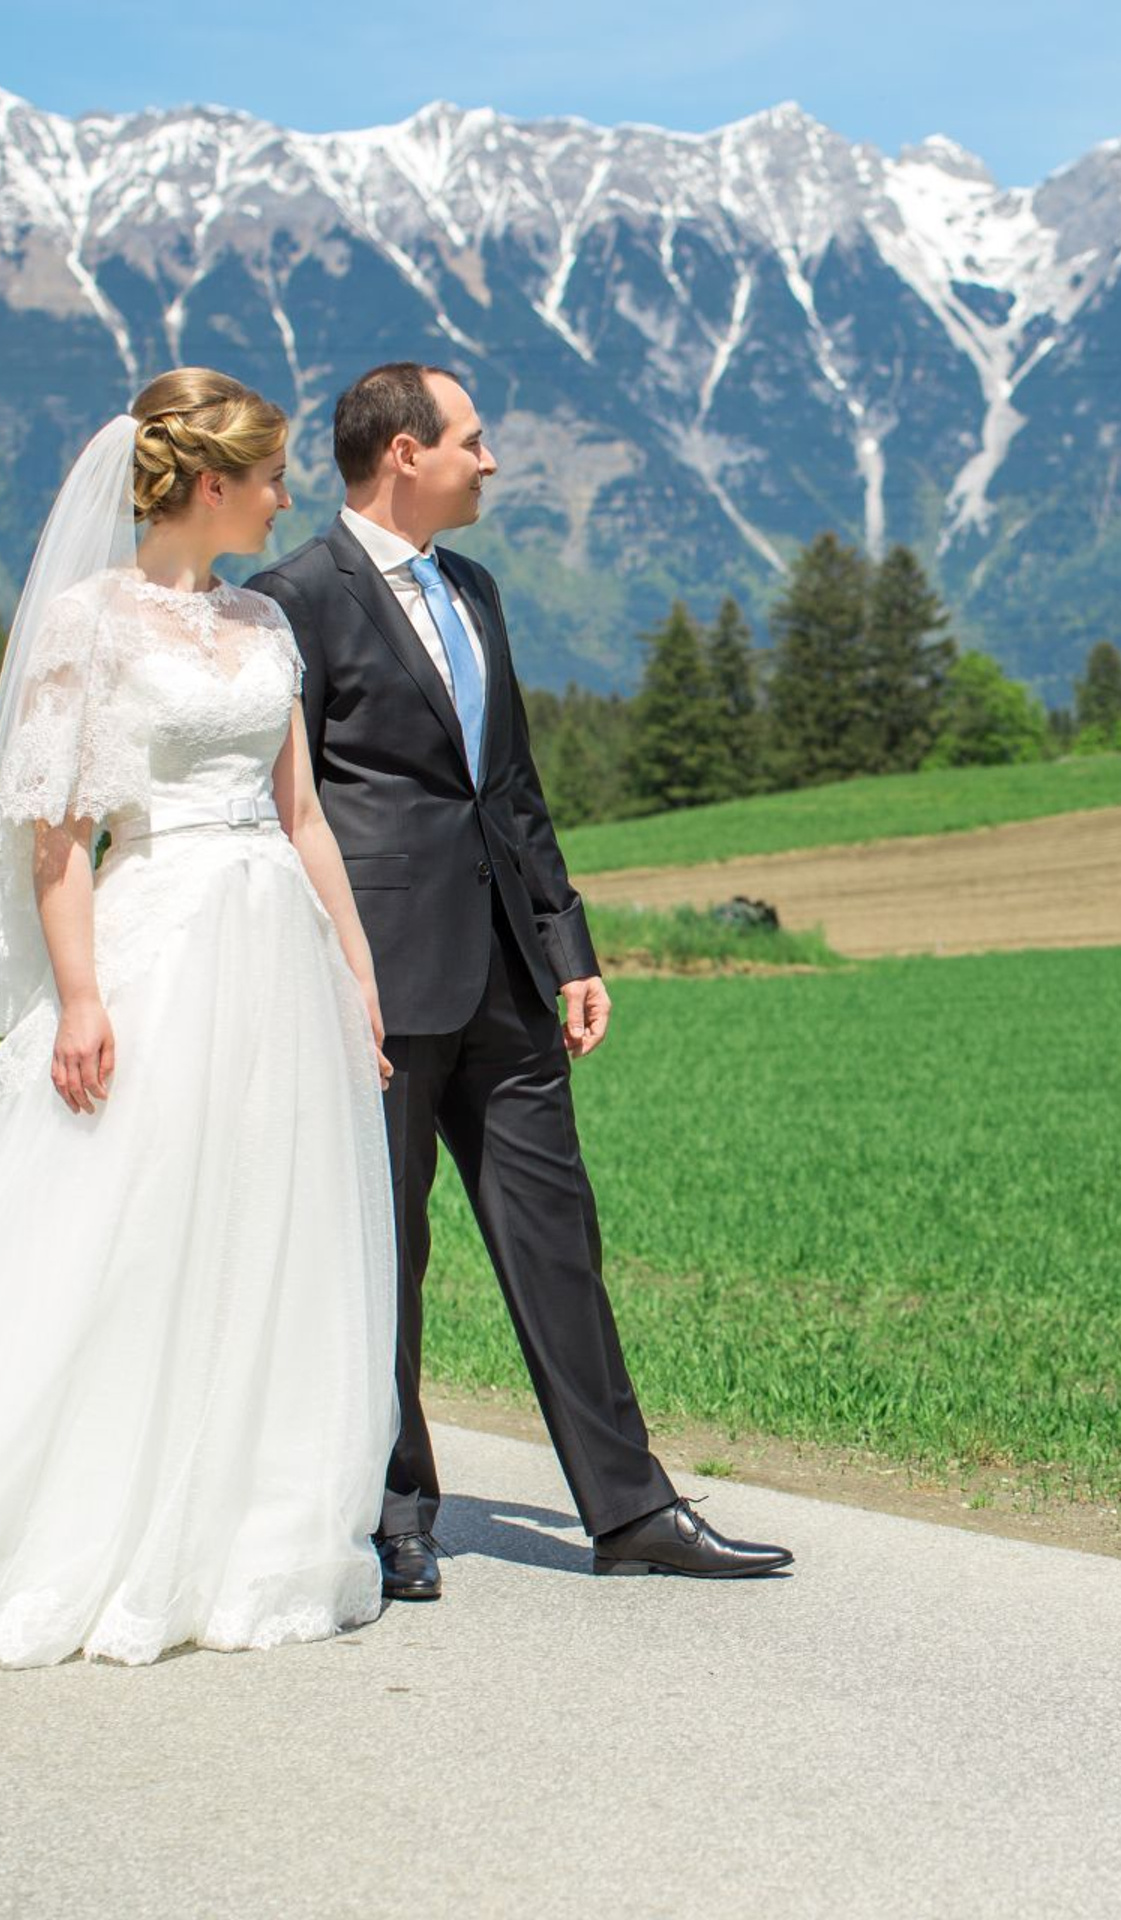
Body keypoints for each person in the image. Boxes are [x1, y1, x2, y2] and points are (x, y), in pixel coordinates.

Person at [248, 363, 790, 1593]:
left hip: (506, 982)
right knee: (383, 1252)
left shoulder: (477, 589)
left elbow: (514, 789)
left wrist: (569, 947)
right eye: (473, 441)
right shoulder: (292, 600)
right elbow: (289, 808)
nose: (490, 462)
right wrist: (327, 969)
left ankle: (632, 1509)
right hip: (370, 984)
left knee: (559, 1238)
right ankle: (393, 1514)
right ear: (402, 453)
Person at [0, 370, 398, 1669]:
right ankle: (94, 1516)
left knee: (260, 1226)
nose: (290, 496)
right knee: (132, 1224)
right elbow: (57, 833)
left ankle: (241, 1528)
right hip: (152, 936)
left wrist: (357, 975)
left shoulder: (262, 624)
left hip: (273, 945)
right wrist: (79, 998)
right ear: (211, 485)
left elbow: (305, 817)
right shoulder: (83, 624)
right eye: (274, 475)